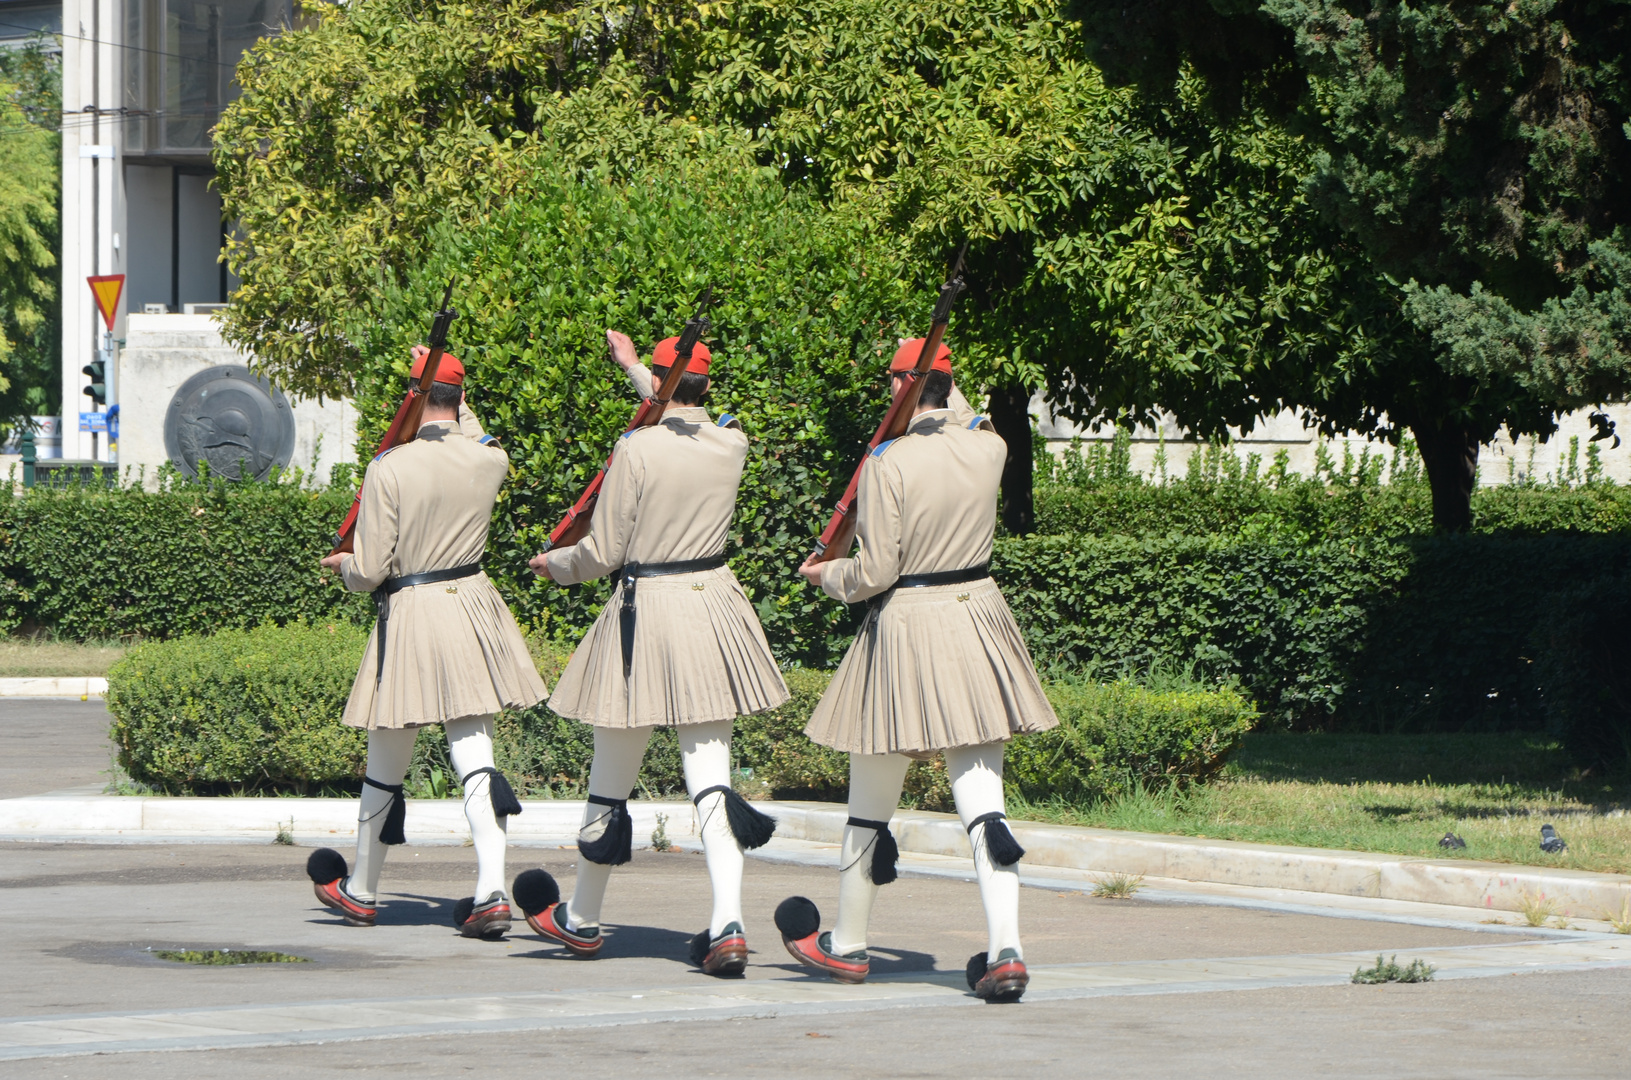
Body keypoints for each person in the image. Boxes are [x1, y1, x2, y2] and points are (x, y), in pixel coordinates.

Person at [778, 338, 1058, 1002]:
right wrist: (931, 374)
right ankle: (1007, 950)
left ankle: (847, 943)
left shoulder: (887, 462)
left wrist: (826, 577)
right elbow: (960, 412)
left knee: (868, 804)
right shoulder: (989, 447)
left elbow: (874, 572)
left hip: (908, 624)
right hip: (978, 614)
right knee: (984, 806)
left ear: (904, 388)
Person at [515, 329, 790, 977]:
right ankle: (728, 924)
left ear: (668, 382)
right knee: (713, 782)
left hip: (646, 612)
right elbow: (676, 407)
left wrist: (555, 565)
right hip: (712, 608)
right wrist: (636, 368)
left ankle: (581, 919)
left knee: (608, 787)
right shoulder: (731, 440)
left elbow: (602, 553)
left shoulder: (635, 449)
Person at [305, 346, 550, 938]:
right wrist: (448, 387)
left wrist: (341, 565)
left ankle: (362, 889)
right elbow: (472, 431)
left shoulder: (390, 466)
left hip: (412, 613)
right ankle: (492, 889)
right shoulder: (491, 460)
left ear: (413, 399)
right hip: (471, 607)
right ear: (462, 399)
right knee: (476, 760)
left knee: (385, 766)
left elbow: (369, 571)